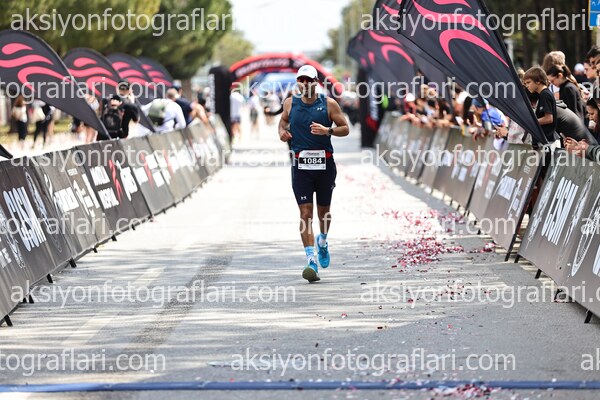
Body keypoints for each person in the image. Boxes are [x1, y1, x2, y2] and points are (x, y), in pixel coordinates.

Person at [278, 65, 349, 283]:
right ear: (298, 82)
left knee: (323, 213)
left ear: (316, 82)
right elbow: (283, 121)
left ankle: (323, 242)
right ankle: (311, 261)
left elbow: (345, 128)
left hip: (325, 166)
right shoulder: (290, 103)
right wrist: (282, 132)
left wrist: (328, 130)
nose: (305, 83)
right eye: (301, 80)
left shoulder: (329, 104)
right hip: (301, 167)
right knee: (305, 213)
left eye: (309, 80)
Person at [523, 67, 558, 144]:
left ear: (538, 81)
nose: (527, 86)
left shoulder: (545, 95)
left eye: (528, 82)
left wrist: (530, 122)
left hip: (547, 141)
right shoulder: (543, 94)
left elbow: (549, 118)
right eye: (525, 84)